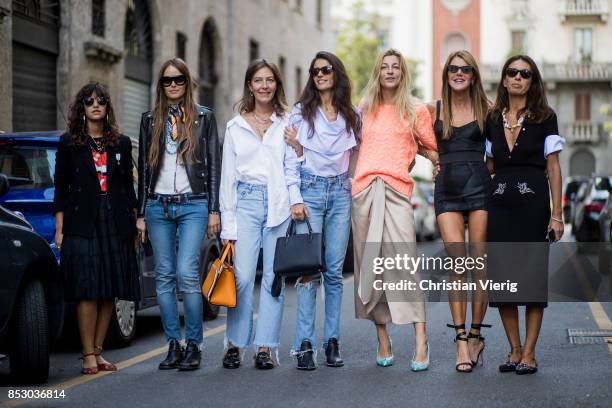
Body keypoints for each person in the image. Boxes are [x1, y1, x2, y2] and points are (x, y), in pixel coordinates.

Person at [351, 48, 438, 371]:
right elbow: (349, 148)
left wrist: (435, 161)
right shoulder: (364, 109)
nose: (389, 71)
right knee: (371, 269)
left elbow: (431, 146)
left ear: (402, 73)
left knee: (404, 266)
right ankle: (383, 338)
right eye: (384, 67)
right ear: (377, 71)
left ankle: (420, 339)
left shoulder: (415, 109)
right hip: (363, 192)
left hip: (398, 192)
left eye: (395, 67)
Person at [136, 58, 221, 371]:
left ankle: (195, 345)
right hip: (158, 206)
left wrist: (214, 209)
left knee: (187, 272)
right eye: (167, 80)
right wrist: (141, 211)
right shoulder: (149, 120)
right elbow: (145, 168)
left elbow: (214, 164)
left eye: (179, 79)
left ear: (188, 82)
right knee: (164, 276)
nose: (173, 85)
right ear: (160, 85)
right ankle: (173, 344)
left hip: (193, 205)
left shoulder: (203, 117)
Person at [54, 82, 140, 375]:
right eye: (89, 101)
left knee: (109, 291)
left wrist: (136, 221)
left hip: (115, 221)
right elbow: (60, 189)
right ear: (82, 107)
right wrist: (59, 228)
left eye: (101, 101)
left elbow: (129, 188)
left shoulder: (122, 143)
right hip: (82, 222)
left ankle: (99, 352)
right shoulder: (69, 143)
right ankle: (87, 353)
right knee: (88, 291)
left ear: (107, 107)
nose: (95, 105)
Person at [485, 55, 564, 375]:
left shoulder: (546, 117)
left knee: (531, 283)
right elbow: (489, 165)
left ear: (533, 81)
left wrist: (557, 214)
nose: (518, 78)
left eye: (525, 74)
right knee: (503, 283)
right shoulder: (492, 118)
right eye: (512, 73)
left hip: (533, 207)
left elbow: (554, 168)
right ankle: (514, 349)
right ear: (504, 80)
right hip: (500, 205)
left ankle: (529, 353)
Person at [219, 59, 299, 369]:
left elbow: (295, 165)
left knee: (273, 279)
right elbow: (228, 177)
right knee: (241, 278)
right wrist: (228, 223)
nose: (264, 85)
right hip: (246, 203)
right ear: (250, 86)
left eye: (269, 80)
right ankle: (236, 344)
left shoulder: (288, 122)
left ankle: (265, 346)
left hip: (278, 204)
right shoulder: (235, 125)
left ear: (277, 84)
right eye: (258, 80)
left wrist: (299, 147)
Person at [284, 51, 360, 370]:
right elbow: (289, 158)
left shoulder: (352, 115)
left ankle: (332, 341)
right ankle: (304, 344)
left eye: (326, 69)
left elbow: (357, 155)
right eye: (315, 71)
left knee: (333, 272)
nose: (320, 75)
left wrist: (355, 183)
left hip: (341, 192)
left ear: (336, 73)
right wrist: (295, 198)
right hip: (310, 192)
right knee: (308, 270)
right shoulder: (301, 113)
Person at [428, 50, 492, 373]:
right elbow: (413, 140)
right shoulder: (433, 109)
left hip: (480, 189)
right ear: (446, 74)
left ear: (473, 74)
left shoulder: (487, 110)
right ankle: (460, 341)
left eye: (464, 69)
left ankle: (478, 335)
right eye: (453, 68)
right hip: (447, 193)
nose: (458, 72)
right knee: (458, 264)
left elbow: (501, 152)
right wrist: (431, 158)